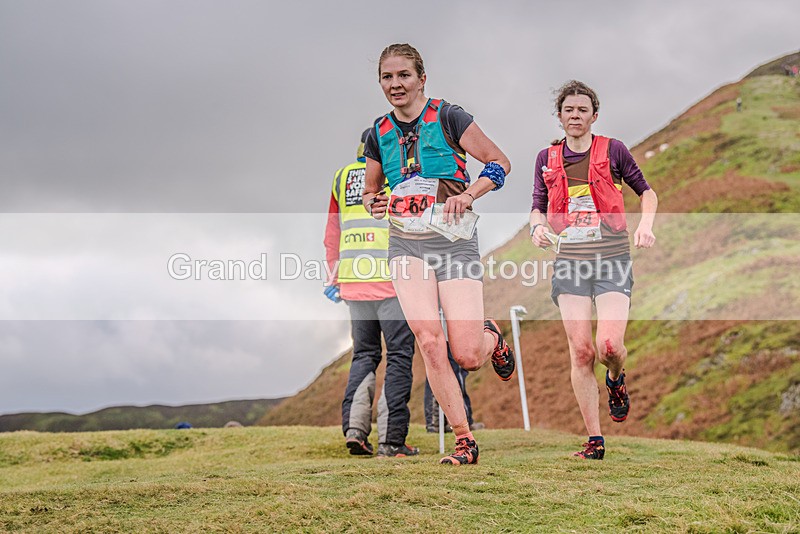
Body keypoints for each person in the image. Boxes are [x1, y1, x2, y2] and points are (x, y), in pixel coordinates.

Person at [362, 43, 515, 466]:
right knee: (429, 343)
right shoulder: (376, 133)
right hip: (405, 243)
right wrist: (373, 202)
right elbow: (370, 190)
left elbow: (499, 162)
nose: (396, 84)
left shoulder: (450, 117)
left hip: (453, 241)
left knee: (465, 353)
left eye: (404, 76)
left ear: (421, 79)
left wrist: (469, 194)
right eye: (387, 77)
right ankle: (464, 439)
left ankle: (492, 338)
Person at [529, 80, 657, 460]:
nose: (575, 116)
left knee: (608, 347)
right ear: (560, 116)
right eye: (568, 110)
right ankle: (594, 440)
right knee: (581, 351)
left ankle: (616, 379)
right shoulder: (546, 158)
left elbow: (645, 191)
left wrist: (645, 224)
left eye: (582, 110)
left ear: (594, 116)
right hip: (570, 260)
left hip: (612, 258)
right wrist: (537, 225)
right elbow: (537, 202)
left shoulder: (613, 150)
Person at [324, 129, 418, 458]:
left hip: (353, 280)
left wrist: (333, 275)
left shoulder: (342, 177)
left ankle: (355, 431)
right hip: (394, 281)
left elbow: (332, 231)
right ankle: (391, 441)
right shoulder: (398, 173)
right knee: (399, 356)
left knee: (364, 355)